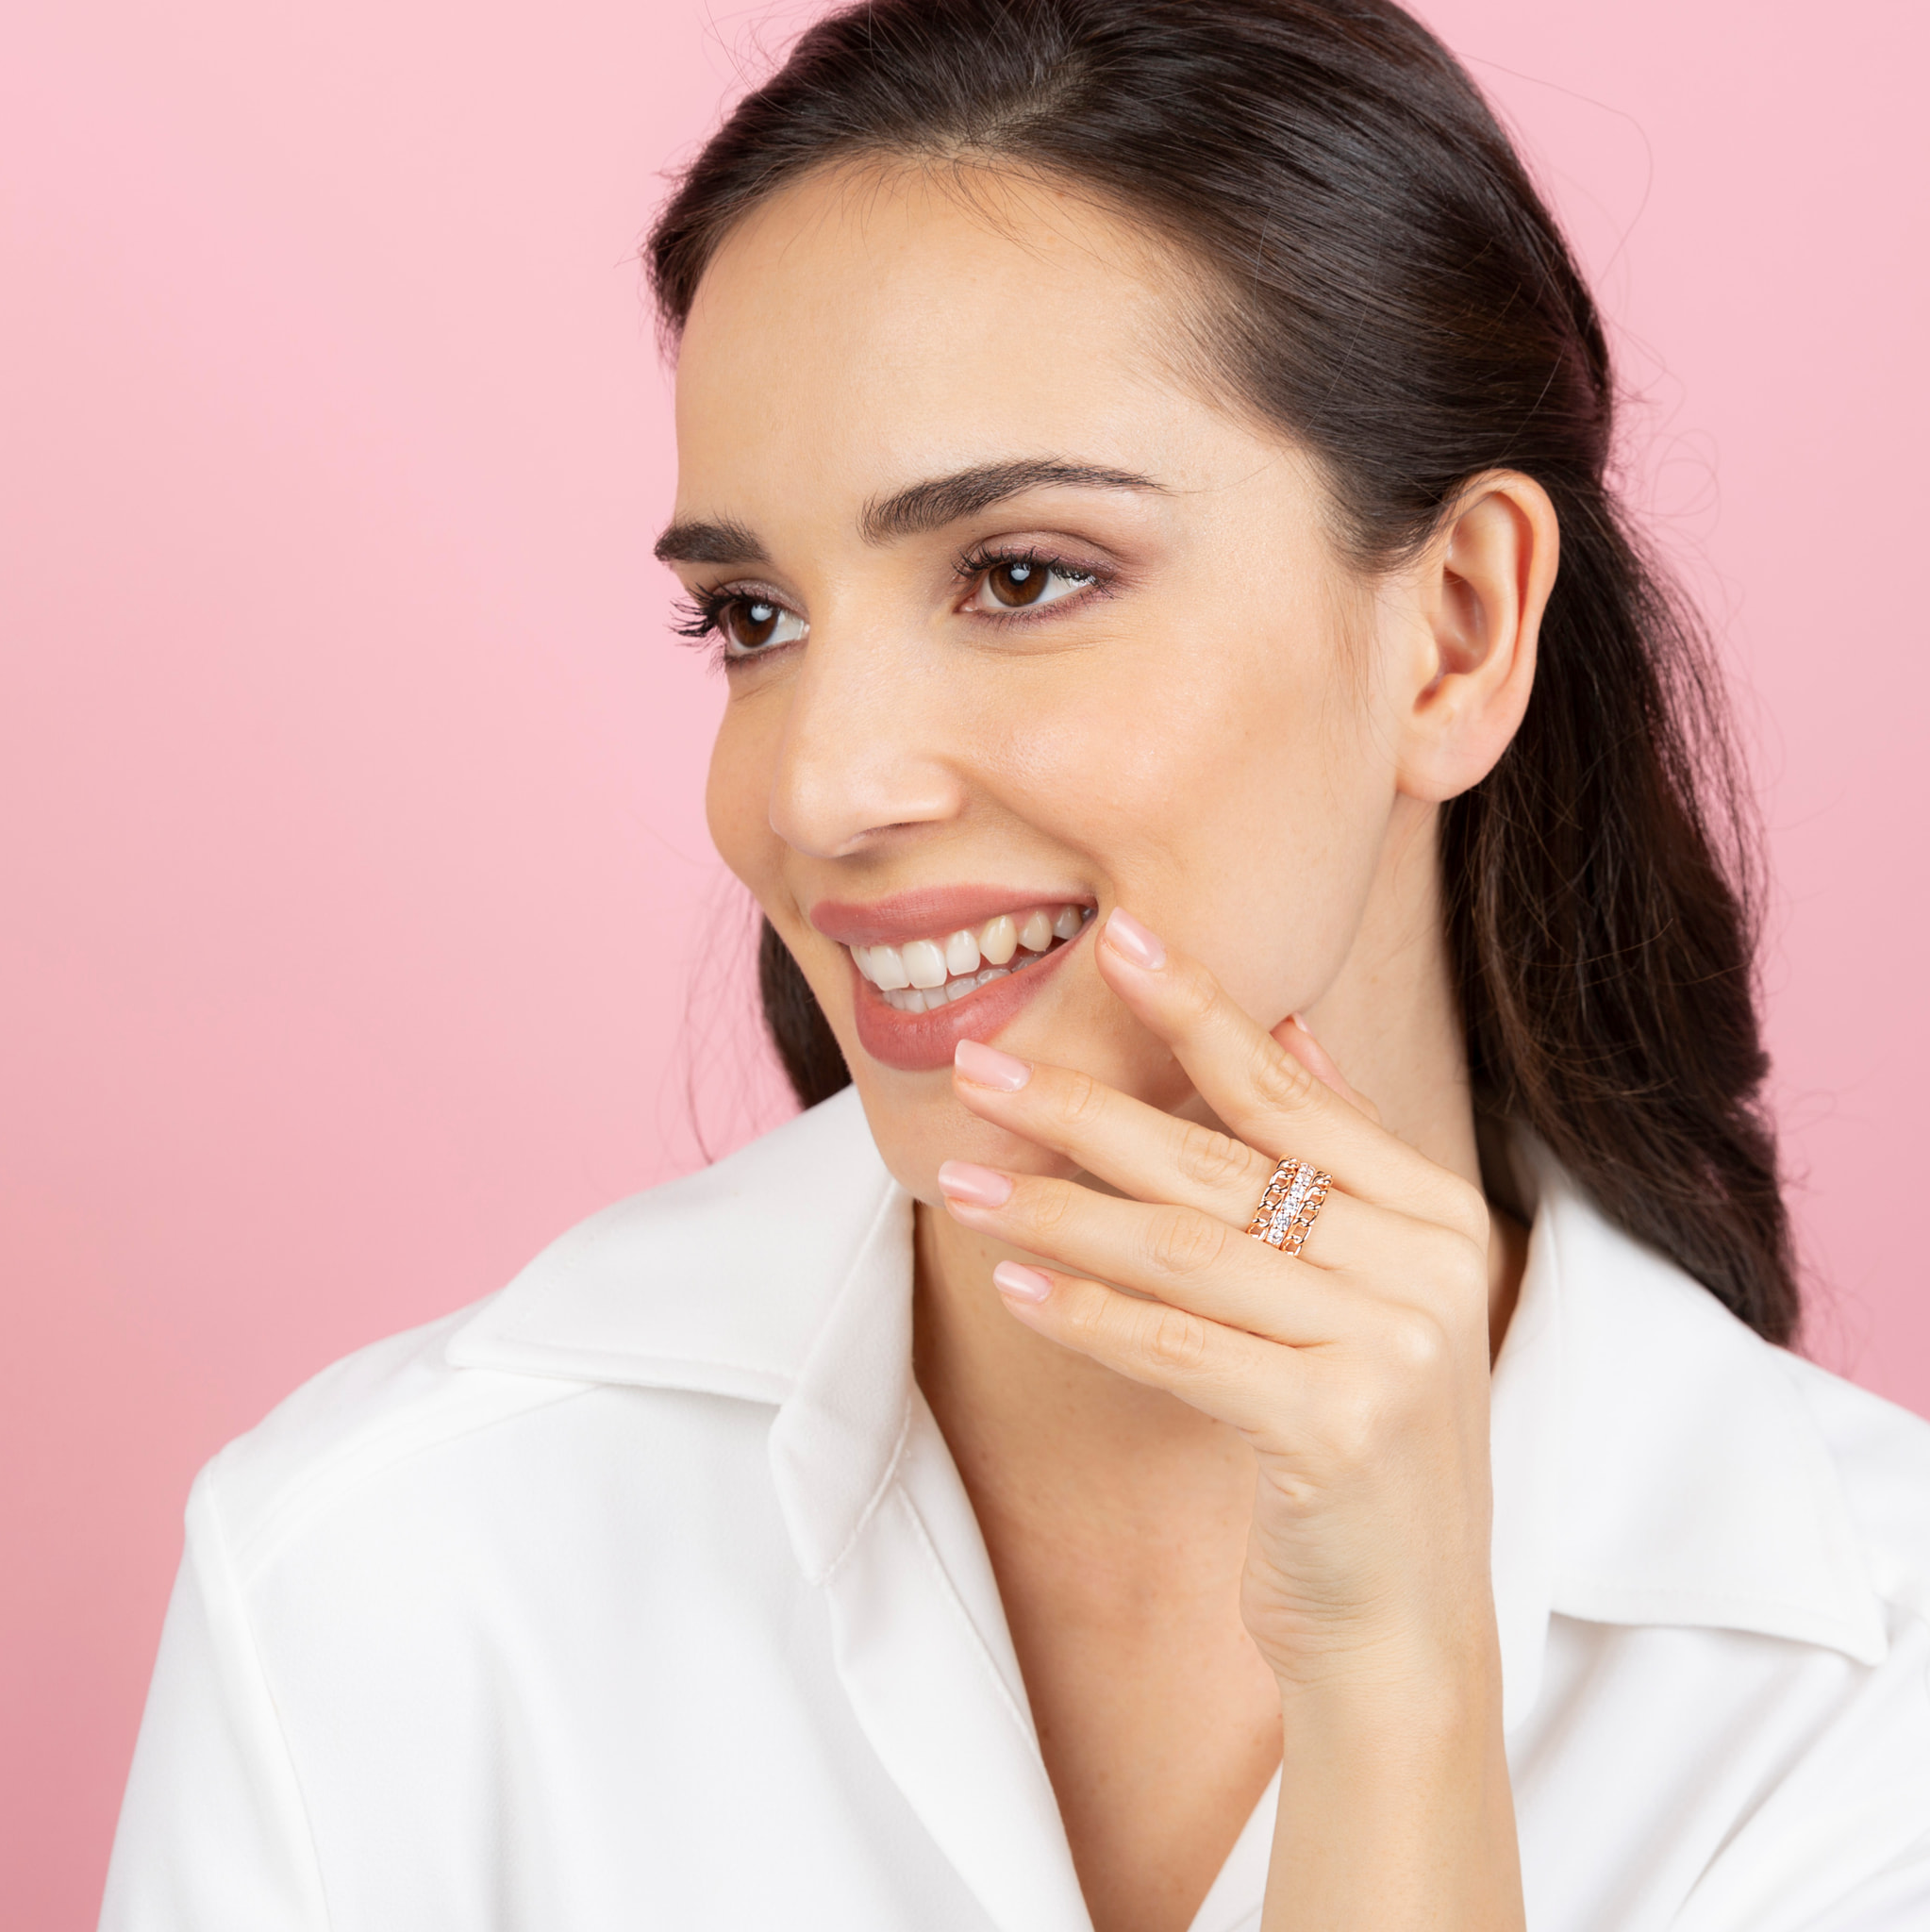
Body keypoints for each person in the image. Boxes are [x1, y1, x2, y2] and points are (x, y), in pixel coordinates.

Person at [99, 1, 1930, 1927]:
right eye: (753, 615)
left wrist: (1401, 1687)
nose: (818, 787)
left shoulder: (1867, 1684)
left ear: (1456, 629)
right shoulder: (385, 1568)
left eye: (1022, 573)